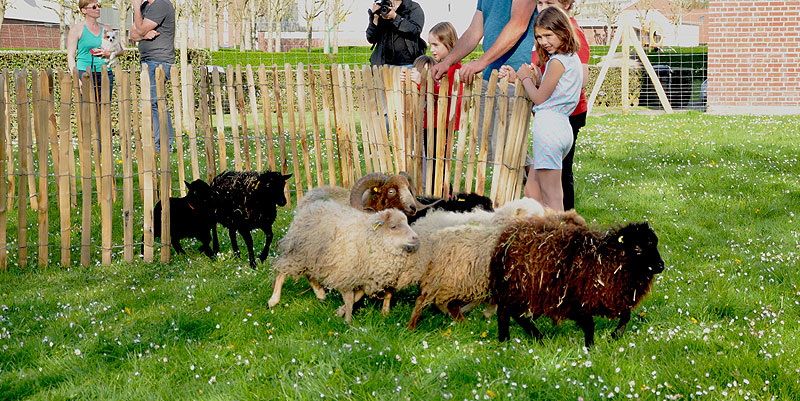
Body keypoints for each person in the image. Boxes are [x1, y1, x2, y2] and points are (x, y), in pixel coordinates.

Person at [502, 0, 590, 210]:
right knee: (531, 191)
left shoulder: (558, 61)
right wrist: (529, 78)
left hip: (549, 129)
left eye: (548, 35)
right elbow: (553, 89)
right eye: (539, 37)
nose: (543, 42)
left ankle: (560, 238)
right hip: (560, 128)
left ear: (563, 31)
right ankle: (539, 232)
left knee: (553, 197)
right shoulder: (570, 59)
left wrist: (524, 78)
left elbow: (540, 97)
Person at [431, 0, 537, 161]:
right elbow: (474, 31)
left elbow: (518, 25)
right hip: (489, 76)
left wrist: (481, 62)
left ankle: (539, 184)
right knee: (493, 150)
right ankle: (528, 184)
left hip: (512, 77)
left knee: (511, 153)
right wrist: (447, 62)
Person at [131, 0, 176, 152]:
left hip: (159, 61)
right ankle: (162, 143)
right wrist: (143, 35)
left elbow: (141, 28)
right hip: (147, 59)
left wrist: (136, 8)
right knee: (154, 102)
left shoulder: (161, 4)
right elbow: (133, 34)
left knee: (155, 102)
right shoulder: (144, 7)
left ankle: (162, 145)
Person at [67, 0, 122, 101]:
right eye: (94, 7)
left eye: (99, 6)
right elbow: (70, 56)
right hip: (84, 72)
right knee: (87, 110)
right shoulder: (76, 29)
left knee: (104, 110)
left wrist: (108, 53)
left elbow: (121, 51)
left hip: (105, 73)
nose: (98, 9)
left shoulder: (107, 29)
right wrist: (77, 78)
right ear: (84, 10)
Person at [366, 0, 426, 67]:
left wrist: (395, 17)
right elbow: (371, 38)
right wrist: (375, 19)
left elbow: (415, 31)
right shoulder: (382, 8)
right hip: (383, 64)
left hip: (408, 63)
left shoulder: (412, 7)